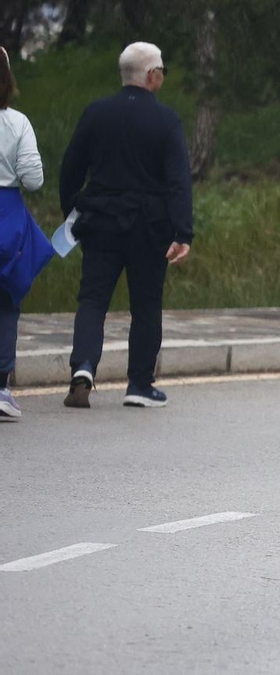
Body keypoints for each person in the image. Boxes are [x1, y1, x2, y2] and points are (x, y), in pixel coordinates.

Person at [58, 42, 193, 410]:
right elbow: (178, 181)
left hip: (100, 222)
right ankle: (139, 384)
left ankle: (83, 367)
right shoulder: (167, 120)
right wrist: (183, 232)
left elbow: (70, 168)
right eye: (161, 71)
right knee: (146, 305)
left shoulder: (96, 113)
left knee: (93, 299)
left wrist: (73, 211)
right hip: (150, 227)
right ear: (152, 75)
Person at [0, 46, 52, 420]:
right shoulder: (17, 123)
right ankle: (1, 388)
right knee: (6, 303)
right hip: (6, 218)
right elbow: (33, 180)